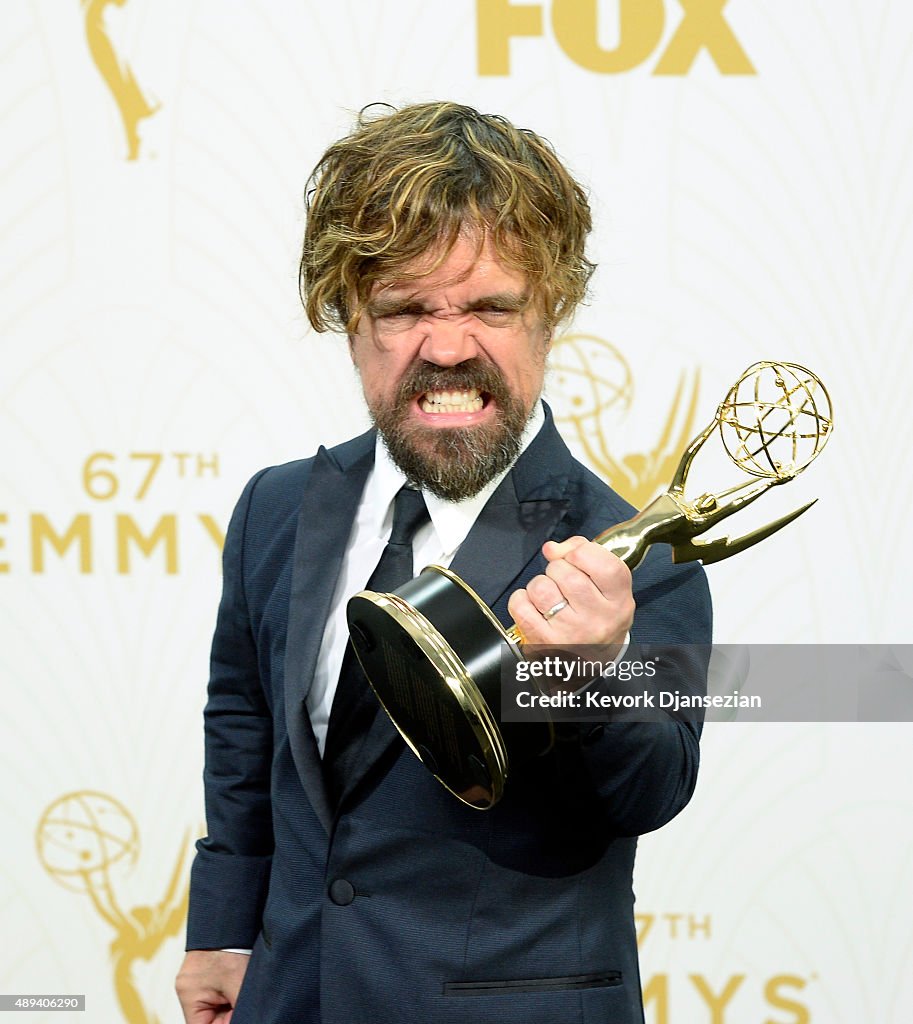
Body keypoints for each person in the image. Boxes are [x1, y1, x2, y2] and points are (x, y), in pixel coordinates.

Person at [176, 101, 712, 1024]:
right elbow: (246, 725)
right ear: (348, 318)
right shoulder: (278, 507)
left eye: (491, 307)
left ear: (551, 315)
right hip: (290, 996)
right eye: (403, 308)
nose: (449, 347)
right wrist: (223, 930)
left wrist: (594, 677)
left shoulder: (630, 552)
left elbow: (650, 789)